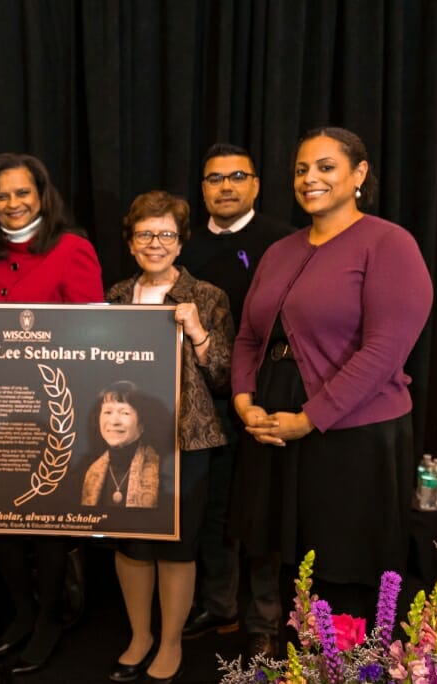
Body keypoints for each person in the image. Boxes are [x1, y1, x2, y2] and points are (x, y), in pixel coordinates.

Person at [230, 127, 433, 620]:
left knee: (342, 580)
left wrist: (308, 418)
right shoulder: (280, 251)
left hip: (352, 436)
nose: (310, 178)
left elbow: (384, 350)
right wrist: (243, 400)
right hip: (276, 429)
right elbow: (249, 337)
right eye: (302, 169)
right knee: (289, 570)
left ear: (358, 173)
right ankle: (294, 666)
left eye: (325, 167)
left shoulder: (389, 243)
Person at [0, 152, 104, 678]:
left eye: (23, 193)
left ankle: (49, 619)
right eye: (2, 195)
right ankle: (21, 613)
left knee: (46, 523)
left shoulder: (73, 249)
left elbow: (93, 340)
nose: (13, 203)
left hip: (55, 413)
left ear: (42, 195)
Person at [106, 190, 233, 683]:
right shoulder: (115, 296)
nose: (155, 243)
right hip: (125, 441)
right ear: (131, 241)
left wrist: (199, 334)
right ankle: (140, 636)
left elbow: (224, 380)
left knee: (178, 546)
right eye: (144, 234)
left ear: (180, 243)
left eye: (165, 234)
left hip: (187, 443)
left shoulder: (208, 296)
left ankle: (172, 641)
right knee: (131, 544)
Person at [177, 144, 294, 658]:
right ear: (201, 188)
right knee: (214, 509)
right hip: (203, 398)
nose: (225, 186)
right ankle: (217, 603)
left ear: (255, 184)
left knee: (262, 509)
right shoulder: (184, 245)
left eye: (237, 176)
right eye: (214, 178)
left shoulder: (284, 243)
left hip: (267, 394)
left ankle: (264, 618)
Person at [81, 382, 165, 508]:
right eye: (108, 412)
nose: (114, 421)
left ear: (141, 425)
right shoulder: (89, 472)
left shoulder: (162, 470)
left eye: (125, 413)